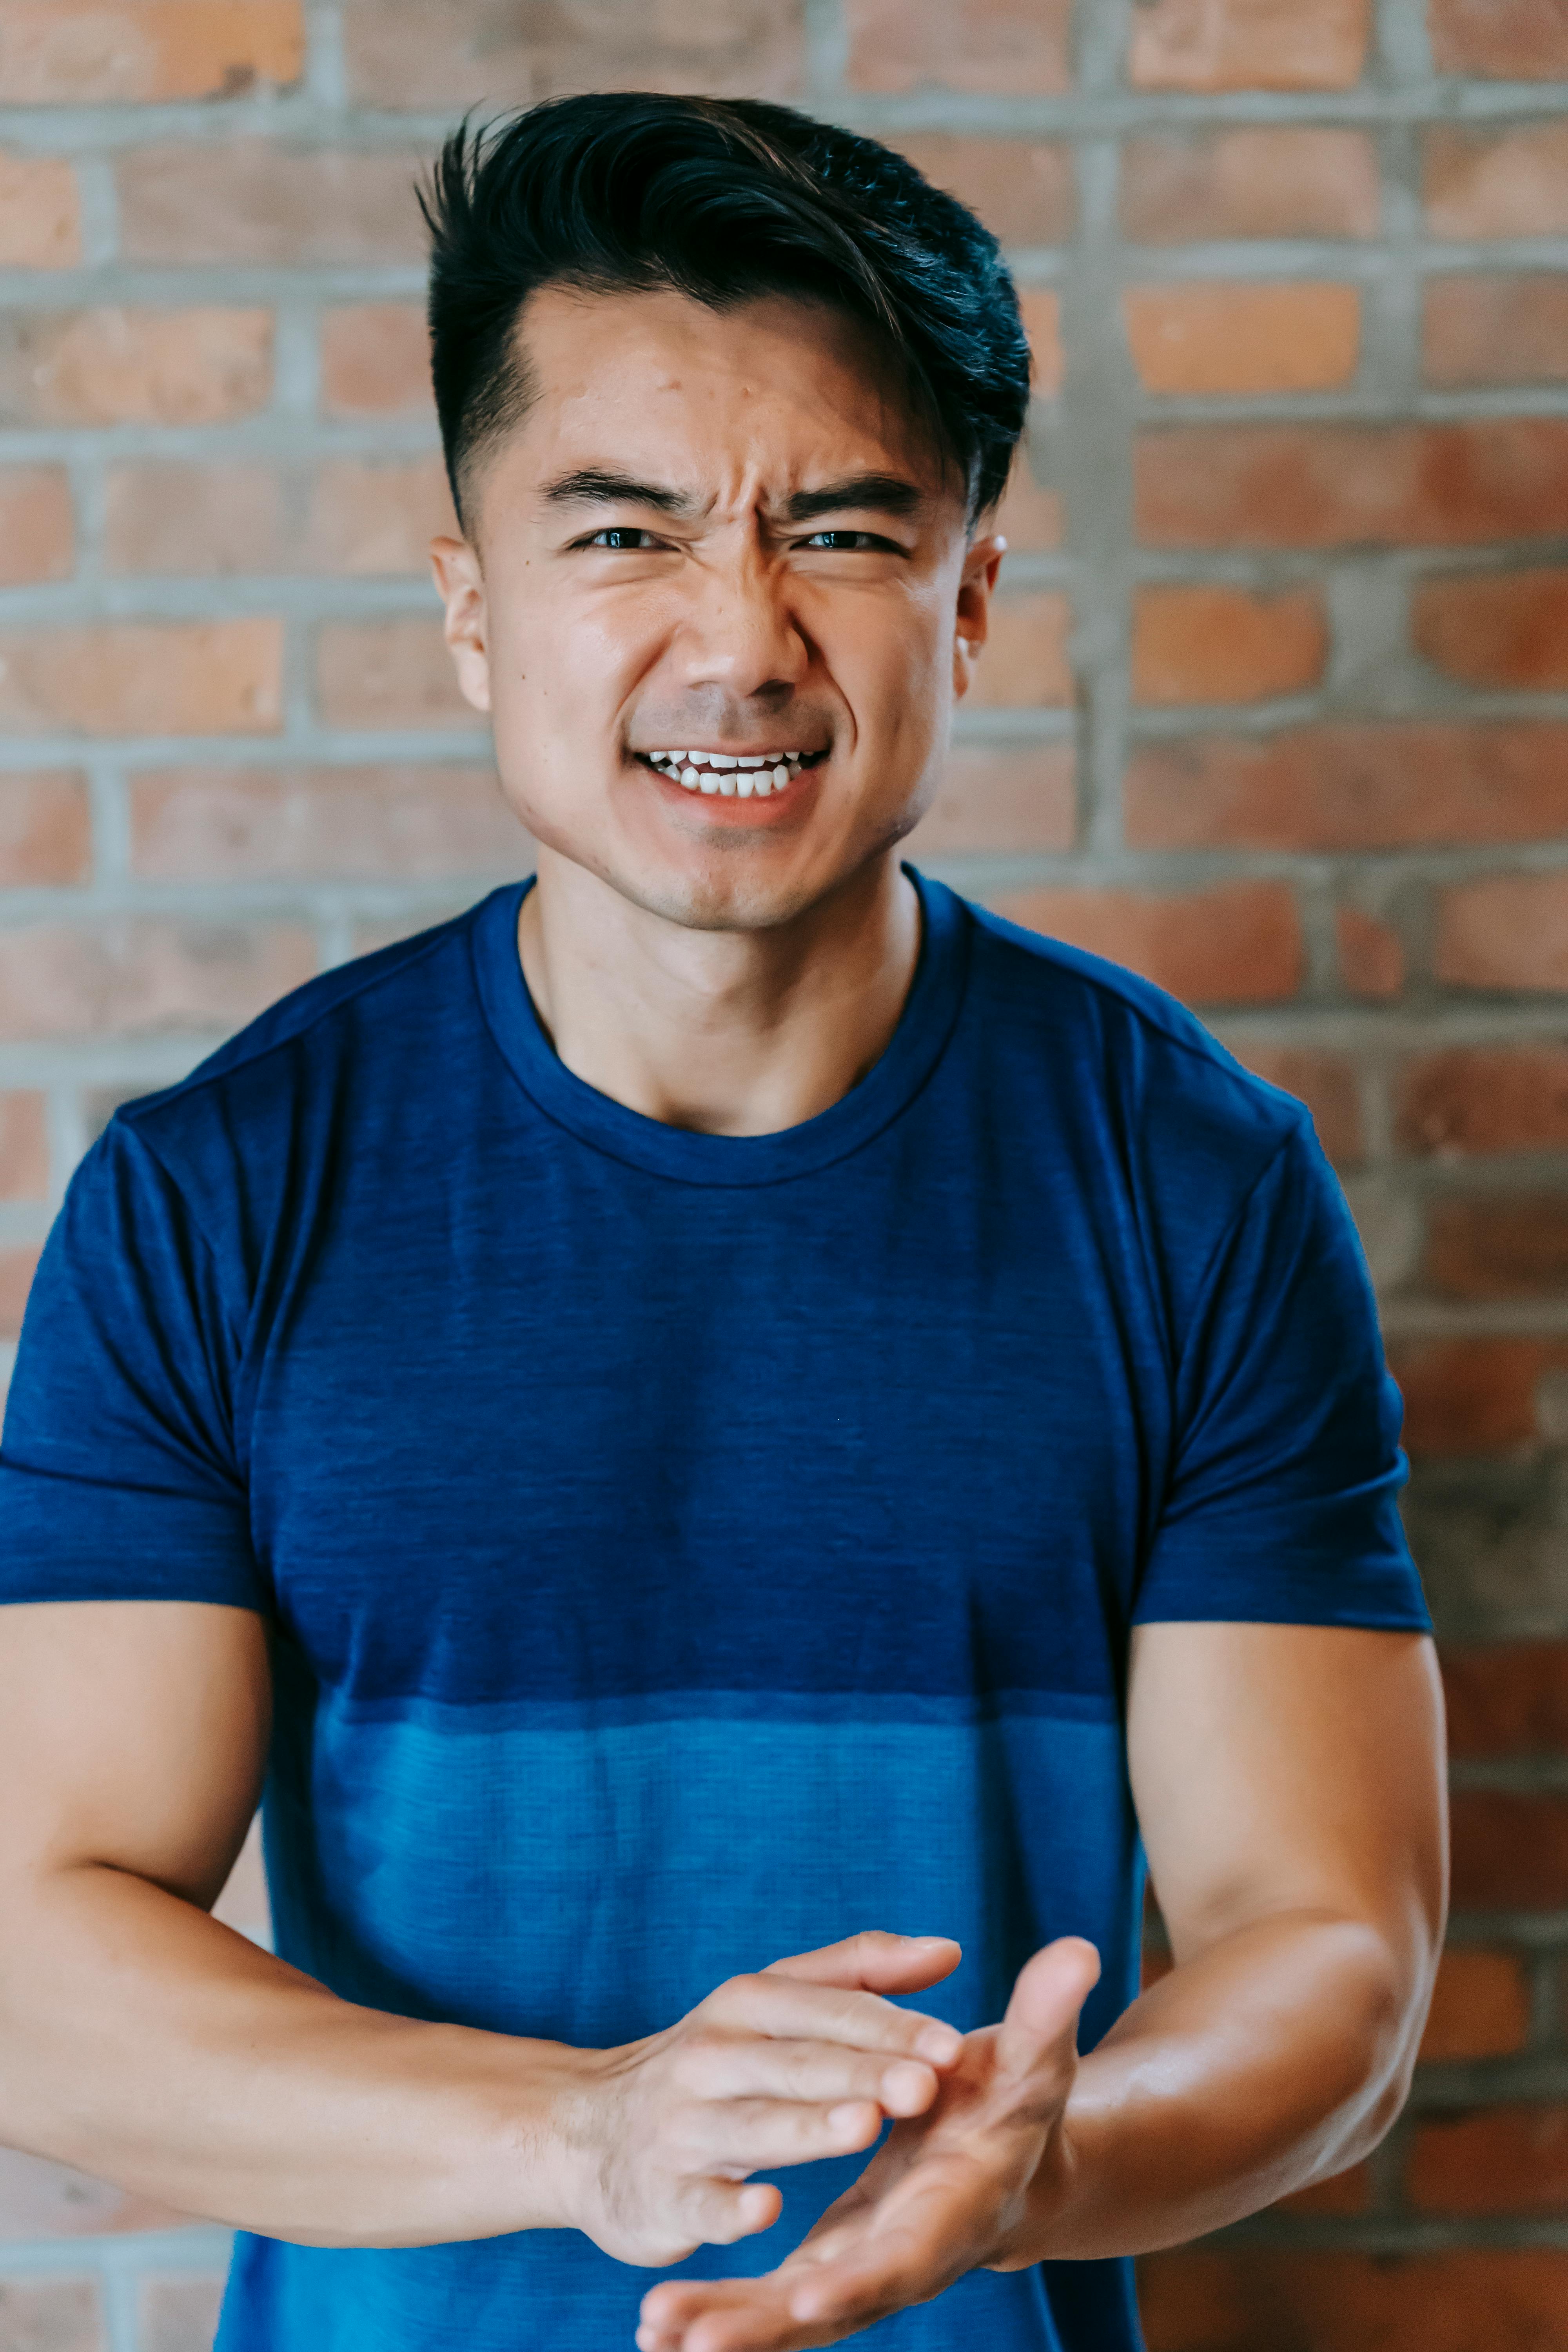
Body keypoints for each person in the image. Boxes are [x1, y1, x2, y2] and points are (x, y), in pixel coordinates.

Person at [0, 92, 1445, 2352]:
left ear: (968, 596)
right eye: (627, 536)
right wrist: (584, 2135)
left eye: (846, 533)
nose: (741, 638)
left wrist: (1053, 2163)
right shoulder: (221, 1196)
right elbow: (34, 1959)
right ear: (473, 610)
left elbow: (1332, 1947)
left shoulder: (1197, 1188)